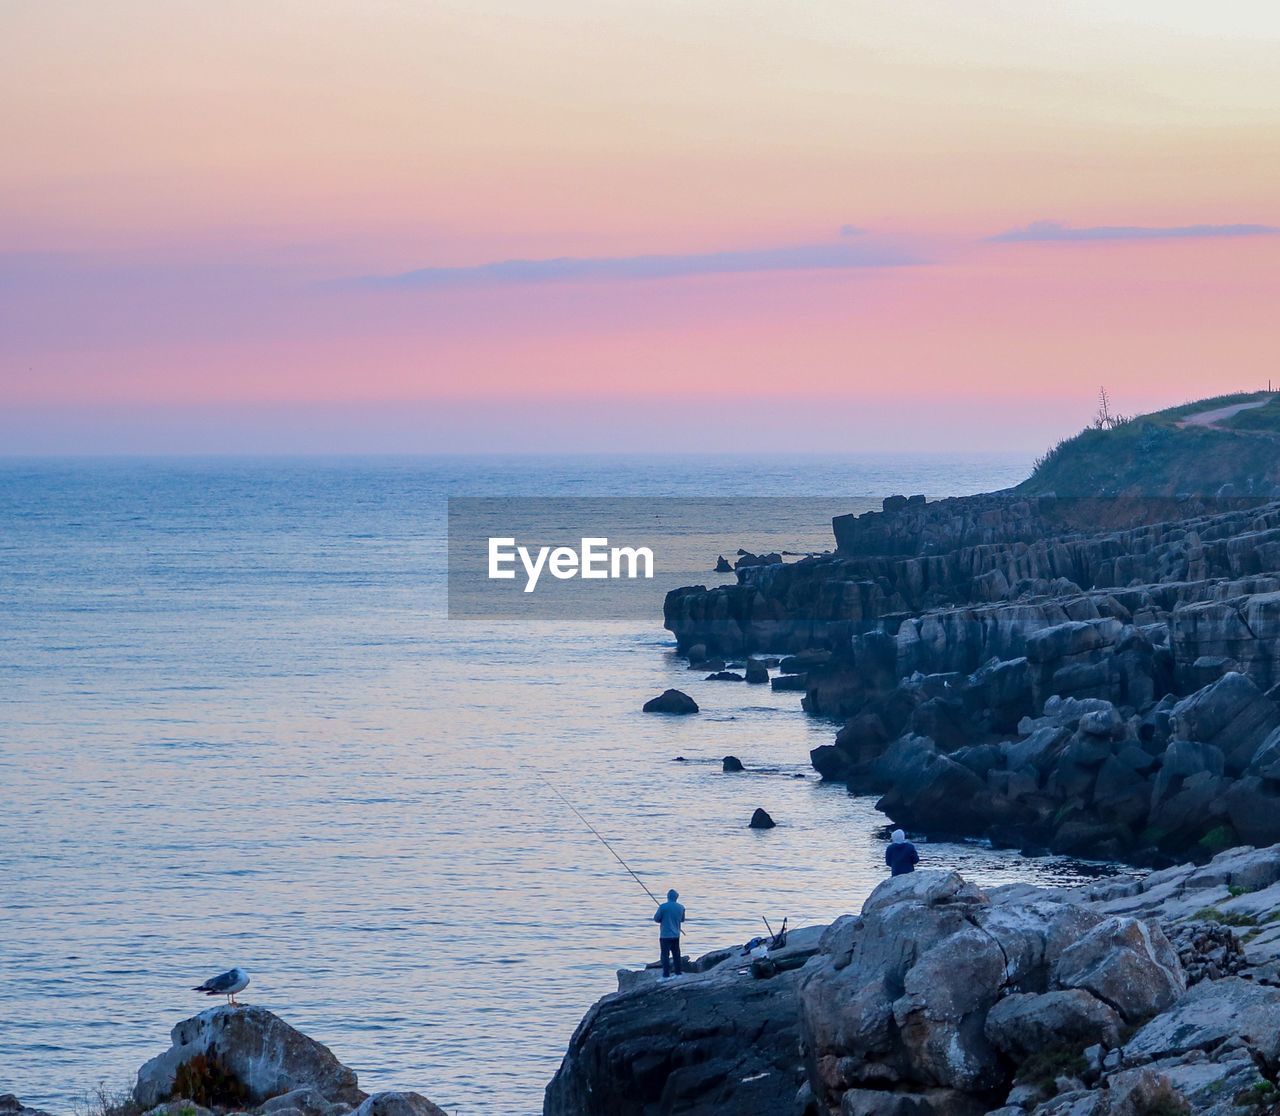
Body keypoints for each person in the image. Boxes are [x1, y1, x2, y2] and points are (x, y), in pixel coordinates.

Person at [653, 888, 686, 977]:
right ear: (676, 897)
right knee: (676, 954)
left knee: (665, 955)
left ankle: (666, 975)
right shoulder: (681, 907)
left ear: (668, 897)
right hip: (676, 935)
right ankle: (678, 973)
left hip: (665, 935)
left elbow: (656, 919)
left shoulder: (663, 907)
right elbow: (682, 920)